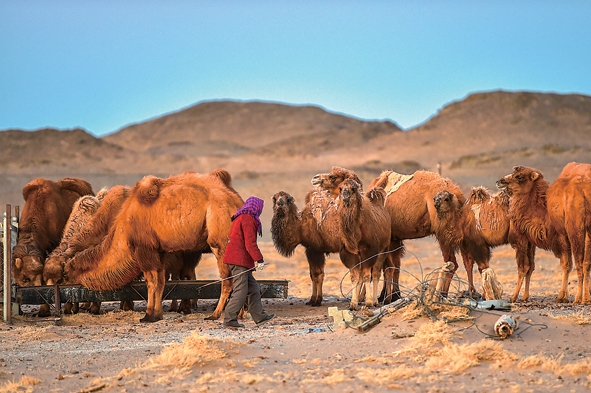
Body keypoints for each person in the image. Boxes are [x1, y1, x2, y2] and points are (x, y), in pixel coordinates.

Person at [222, 196, 275, 328]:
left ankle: (259, 316)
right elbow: (250, 243)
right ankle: (229, 320)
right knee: (241, 290)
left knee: (253, 288)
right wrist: (259, 259)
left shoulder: (241, 216)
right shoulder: (248, 219)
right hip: (239, 260)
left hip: (238, 259)